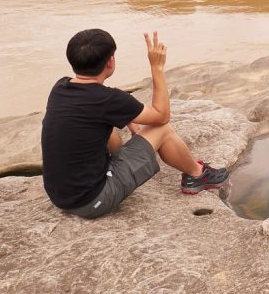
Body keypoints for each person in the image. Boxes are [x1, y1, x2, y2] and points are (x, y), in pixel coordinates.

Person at [41, 29, 228, 219]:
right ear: (110, 62)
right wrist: (157, 67)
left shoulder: (60, 87)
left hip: (60, 196)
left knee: (103, 127)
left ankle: (120, 162)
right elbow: (162, 116)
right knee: (161, 129)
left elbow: (99, 105)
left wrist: (129, 119)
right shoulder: (108, 99)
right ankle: (197, 175)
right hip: (93, 202)